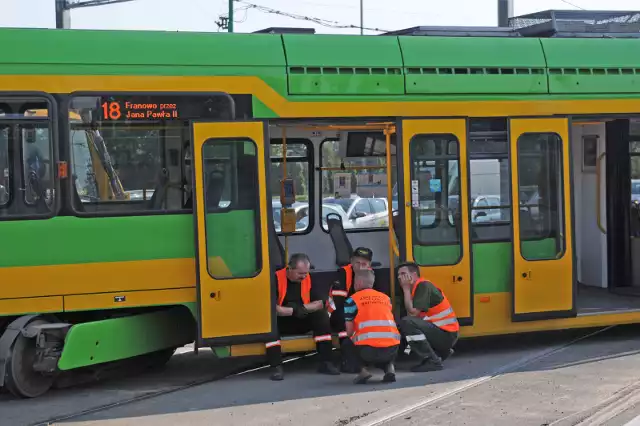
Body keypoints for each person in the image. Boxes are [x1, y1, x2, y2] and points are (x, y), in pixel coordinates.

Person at [265, 253, 340, 381]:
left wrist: (298, 309)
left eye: (306, 273)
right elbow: (275, 309)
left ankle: (326, 362)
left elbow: (319, 303)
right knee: (269, 321)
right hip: (282, 321)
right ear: (289, 269)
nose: (304, 276)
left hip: (302, 318)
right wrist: (297, 310)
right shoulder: (275, 278)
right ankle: (276, 366)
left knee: (321, 316)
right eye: (300, 273)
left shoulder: (310, 279)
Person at [397, 262, 459, 372]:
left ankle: (432, 360)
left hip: (446, 334)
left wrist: (405, 289)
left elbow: (412, 314)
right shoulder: (415, 289)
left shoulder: (422, 285)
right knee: (407, 323)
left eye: (403, 273)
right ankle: (440, 353)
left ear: (414, 274)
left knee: (407, 322)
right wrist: (407, 349)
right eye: (398, 275)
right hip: (442, 332)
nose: (400, 277)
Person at [344, 268, 400, 384]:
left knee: (346, 343)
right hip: (392, 349)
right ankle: (389, 368)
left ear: (357, 283)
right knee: (385, 342)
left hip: (368, 351)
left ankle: (362, 371)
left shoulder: (352, 300)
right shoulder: (386, 298)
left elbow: (349, 332)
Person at [328, 247, 374, 372]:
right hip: (338, 311)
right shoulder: (343, 273)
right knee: (344, 318)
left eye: (364, 263)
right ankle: (347, 358)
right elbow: (339, 302)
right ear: (351, 261)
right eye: (357, 263)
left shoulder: (371, 274)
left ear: (369, 264)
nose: (360, 266)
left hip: (359, 310)